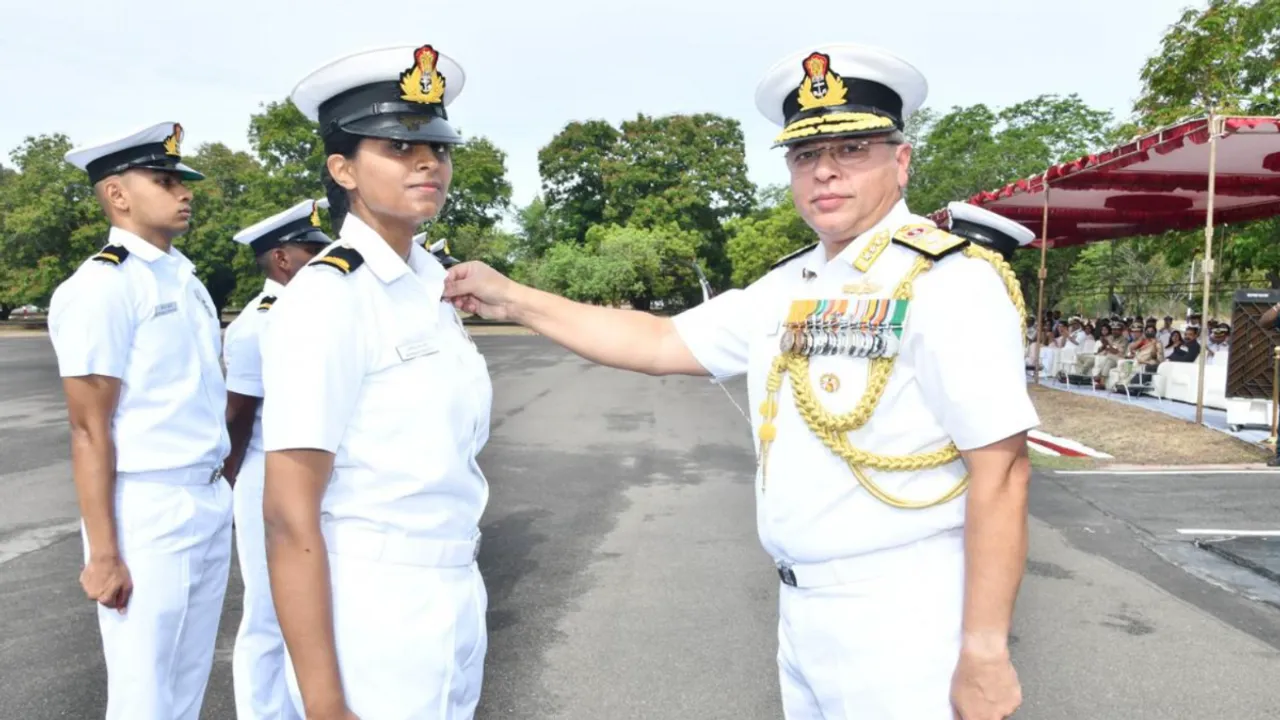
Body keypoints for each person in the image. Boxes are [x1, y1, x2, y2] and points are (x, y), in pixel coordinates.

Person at [446, 43, 1036, 720]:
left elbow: (1002, 470)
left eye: (851, 152)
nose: (825, 174)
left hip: (903, 615)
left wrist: (985, 650)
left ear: (900, 162)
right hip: (802, 609)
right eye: (806, 156)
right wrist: (512, 298)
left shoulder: (947, 282)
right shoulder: (789, 284)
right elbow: (660, 340)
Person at [258, 44, 492, 720]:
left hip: (454, 587)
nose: (428, 162)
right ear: (343, 169)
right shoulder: (328, 297)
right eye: (396, 146)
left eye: (438, 148)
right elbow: (286, 512)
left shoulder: (431, 285)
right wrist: (326, 702)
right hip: (374, 602)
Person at [47, 121, 233, 720]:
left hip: (204, 498)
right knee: (143, 692)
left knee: (186, 681)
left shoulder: (184, 278)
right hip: (148, 507)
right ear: (118, 195)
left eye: (182, 181)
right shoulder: (103, 286)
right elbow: (87, 427)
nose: (184, 192)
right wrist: (103, 552)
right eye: (164, 180)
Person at [222, 198, 333, 720]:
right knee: (268, 610)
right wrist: (234, 481)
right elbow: (237, 417)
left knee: (311, 605)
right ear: (282, 259)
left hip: (312, 471)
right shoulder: (255, 325)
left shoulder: (314, 312)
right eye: (311, 250)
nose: (322, 257)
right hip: (264, 472)